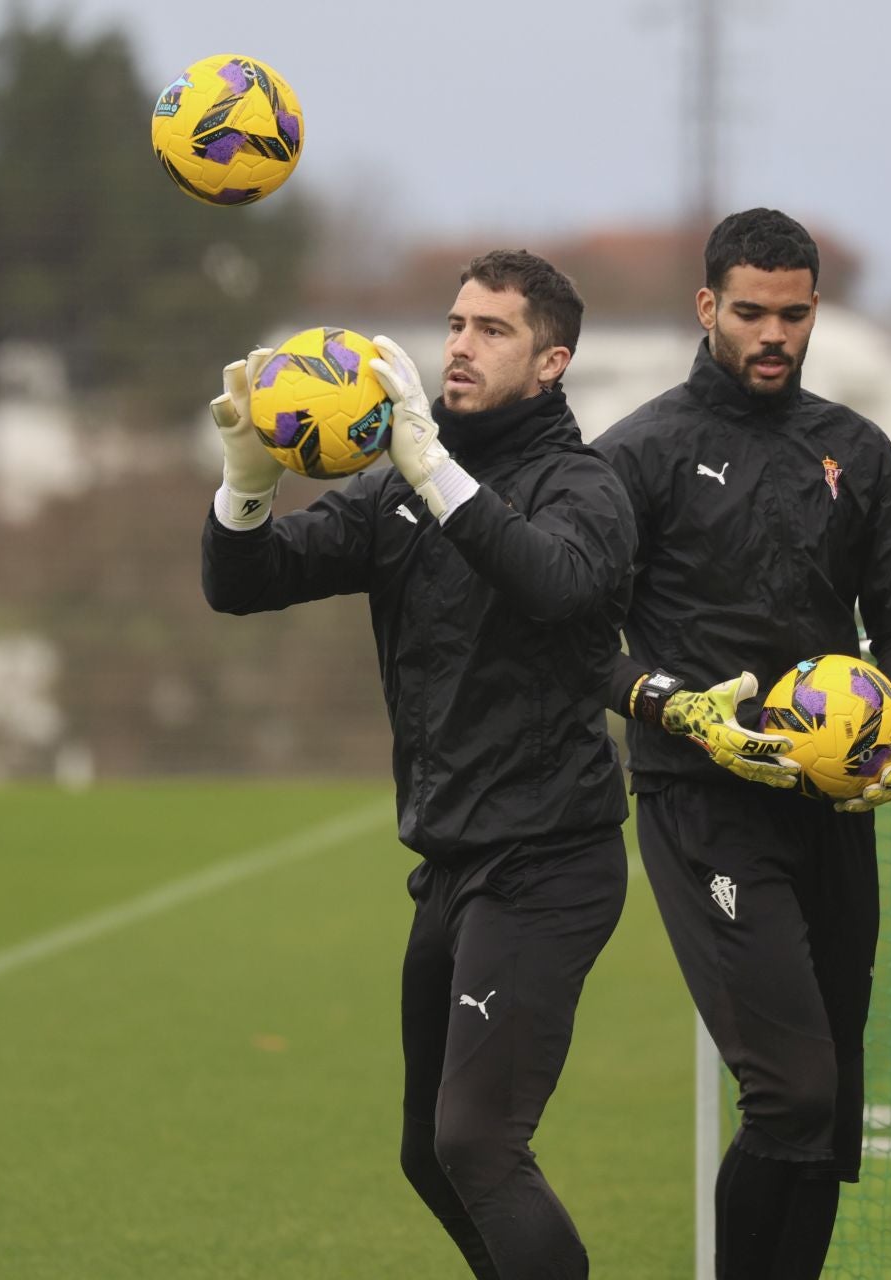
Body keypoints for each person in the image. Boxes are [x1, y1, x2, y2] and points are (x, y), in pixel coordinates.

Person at [202, 250, 637, 1278]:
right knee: (430, 1154)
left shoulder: (583, 485)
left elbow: (555, 583)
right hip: (451, 866)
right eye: (454, 324)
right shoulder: (396, 486)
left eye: (492, 330)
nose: (459, 346)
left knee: (477, 1142)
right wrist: (245, 484)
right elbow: (245, 583)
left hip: (549, 863)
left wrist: (431, 464)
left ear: (551, 362)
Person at [590, 208, 891, 1279]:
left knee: (826, 1108)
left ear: (814, 312)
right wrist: (666, 704)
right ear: (708, 307)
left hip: (831, 809)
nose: (773, 333)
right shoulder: (642, 452)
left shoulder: (856, 450)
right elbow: (562, 631)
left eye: (793, 314)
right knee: (788, 1088)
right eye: (750, 311)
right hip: (706, 806)